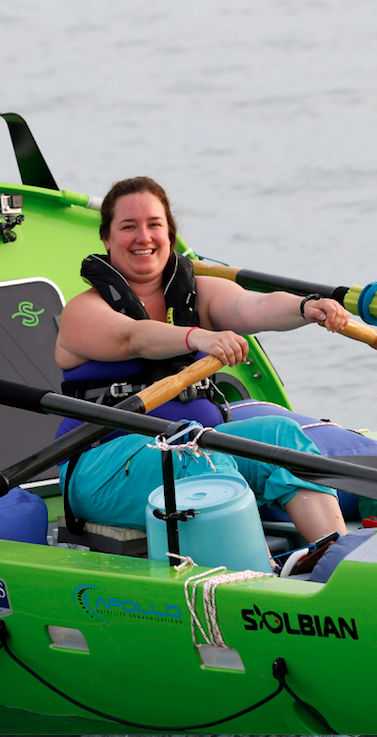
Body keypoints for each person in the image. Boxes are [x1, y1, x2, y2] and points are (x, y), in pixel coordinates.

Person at [54, 176, 350, 546]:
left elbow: (253, 306)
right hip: (100, 469)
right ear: (107, 239)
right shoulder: (83, 311)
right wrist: (197, 337)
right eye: (128, 227)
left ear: (170, 234)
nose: (143, 237)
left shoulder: (199, 294)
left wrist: (305, 307)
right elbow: (132, 337)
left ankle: (333, 554)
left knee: (280, 435)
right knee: (196, 455)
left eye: (154, 225)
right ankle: (259, 572)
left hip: (196, 447)